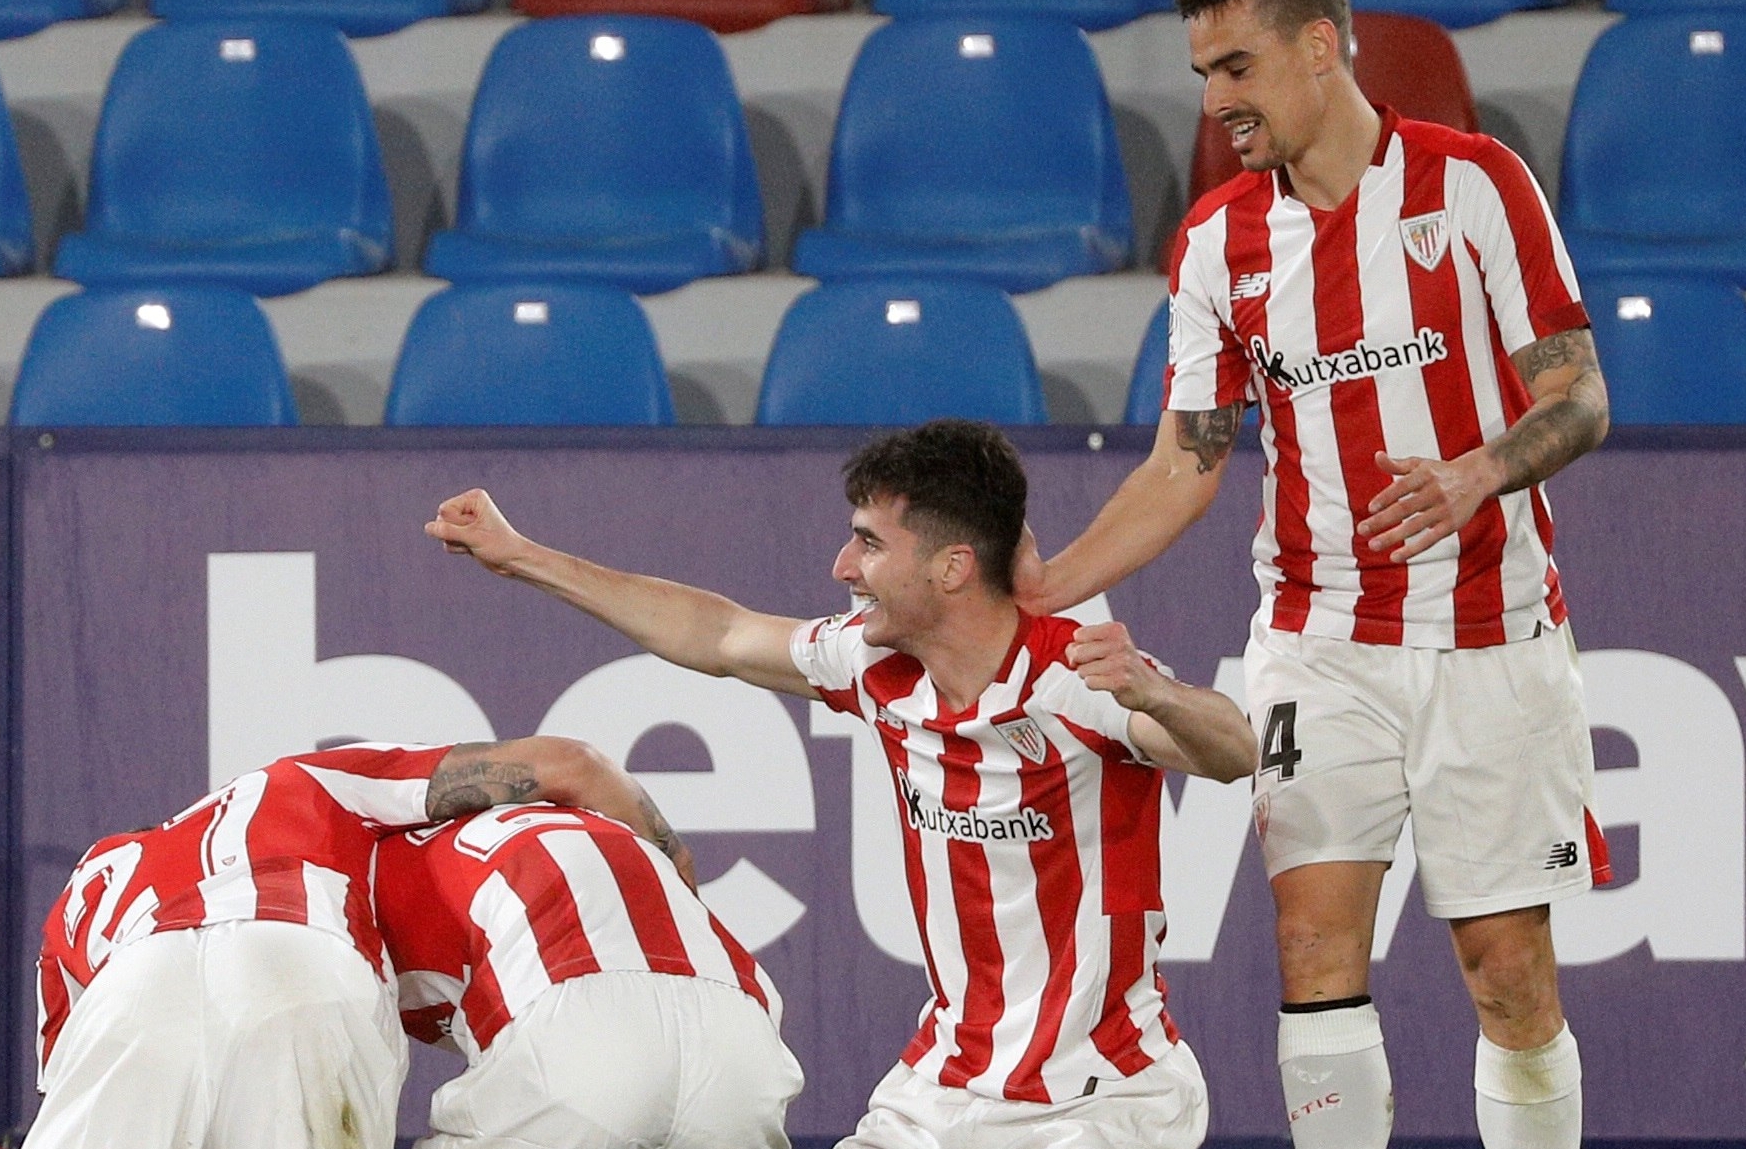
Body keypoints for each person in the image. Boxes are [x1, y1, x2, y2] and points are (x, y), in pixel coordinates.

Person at [1022, 0, 1615, 1149]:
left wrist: (1478, 473)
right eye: (1202, 76)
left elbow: (1581, 395)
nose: (1217, 101)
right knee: (1310, 942)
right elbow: (1188, 459)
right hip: (1319, 635)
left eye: (1236, 68)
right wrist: (1049, 588)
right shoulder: (1216, 247)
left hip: (1489, 630)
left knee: (1505, 969)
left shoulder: (1476, 185)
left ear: (1320, 46)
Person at [428, 419, 1258, 1149]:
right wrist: (523, 556)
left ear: (952, 567)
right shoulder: (873, 664)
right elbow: (718, 633)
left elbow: (1233, 750)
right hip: (942, 1091)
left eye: (868, 542)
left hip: (1101, 1100)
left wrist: (1156, 693)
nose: (841, 566)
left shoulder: (1072, 678)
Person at [26, 736, 688, 1149]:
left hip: (128, 990)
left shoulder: (92, 872)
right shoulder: (295, 779)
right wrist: (677, 877)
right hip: (299, 965)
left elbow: (61, 1076)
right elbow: (576, 765)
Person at [376, 803, 804, 1148]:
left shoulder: (338, 885)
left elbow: (339, 1084)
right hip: (741, 1031)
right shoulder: (552, 805)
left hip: (575, 1031)